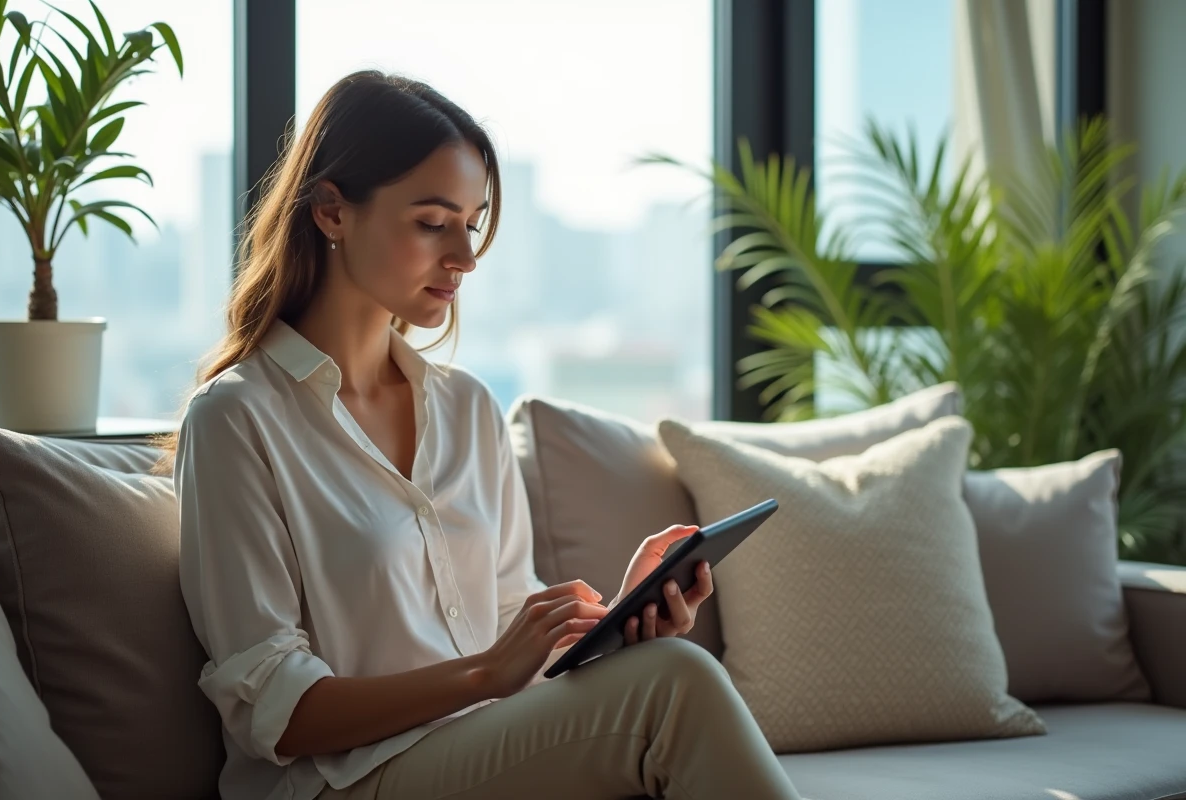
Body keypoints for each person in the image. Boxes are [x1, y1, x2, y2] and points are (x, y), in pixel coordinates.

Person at [154, 70, 801, 800]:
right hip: (347, 778)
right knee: (676, 687)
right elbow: (272, 709)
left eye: (473, 220)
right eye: (433, 222)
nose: (464, 256)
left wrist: (614, 623)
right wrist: (484, 673)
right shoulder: (236, 419)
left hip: (485, 749)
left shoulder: (467, 409)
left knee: (665, 672)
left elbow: (505, 622)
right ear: (332, 212)